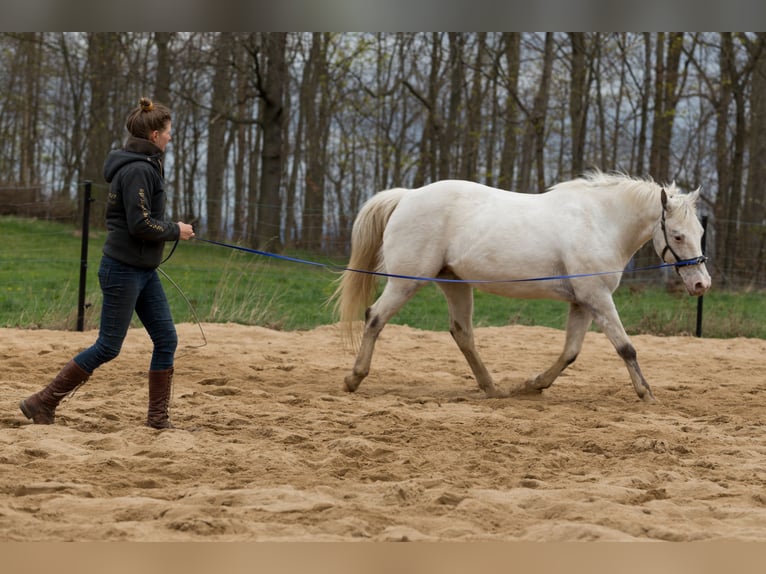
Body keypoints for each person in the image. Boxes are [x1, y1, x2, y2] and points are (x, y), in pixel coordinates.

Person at [19, 97, 195, 429]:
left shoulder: (143, 164)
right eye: (169, 132)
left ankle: (157, 419)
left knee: (166, 339)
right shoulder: (139, 169)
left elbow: (140, 219)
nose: (171, 137)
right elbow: (139, 224)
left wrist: (170, 229)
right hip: (123, 270)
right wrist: (176, 230)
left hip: (142, 269)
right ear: (155, 134)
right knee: (109, 346)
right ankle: (43, 401)